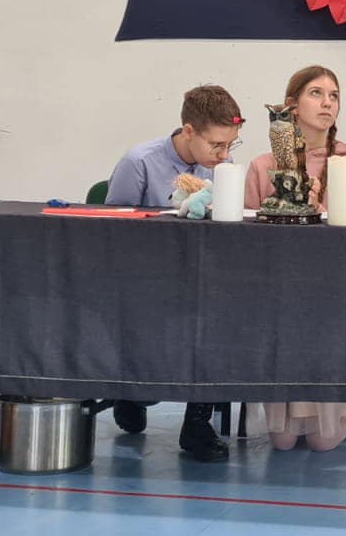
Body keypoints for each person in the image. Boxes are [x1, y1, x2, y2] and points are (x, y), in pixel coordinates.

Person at [104, 84, 245, 462]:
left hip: (201, 279)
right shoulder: (139, 163)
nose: (225, 155)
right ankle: (131, 392)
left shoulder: (221, 168)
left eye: (230, 145)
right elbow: (111, 232)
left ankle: (197, 421)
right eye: (216, 145)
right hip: (145, 281)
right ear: (188, 131)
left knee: (225, 317)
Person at [241, 66, 346, 451]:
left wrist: (318, 209)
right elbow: (245, 238)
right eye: (316, 93)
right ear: (292, 105)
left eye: (334, 95)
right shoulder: (263, 165)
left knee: (322, 441)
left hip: (333, 292)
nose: (327, 102)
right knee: (281, 440)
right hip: (278, 294)